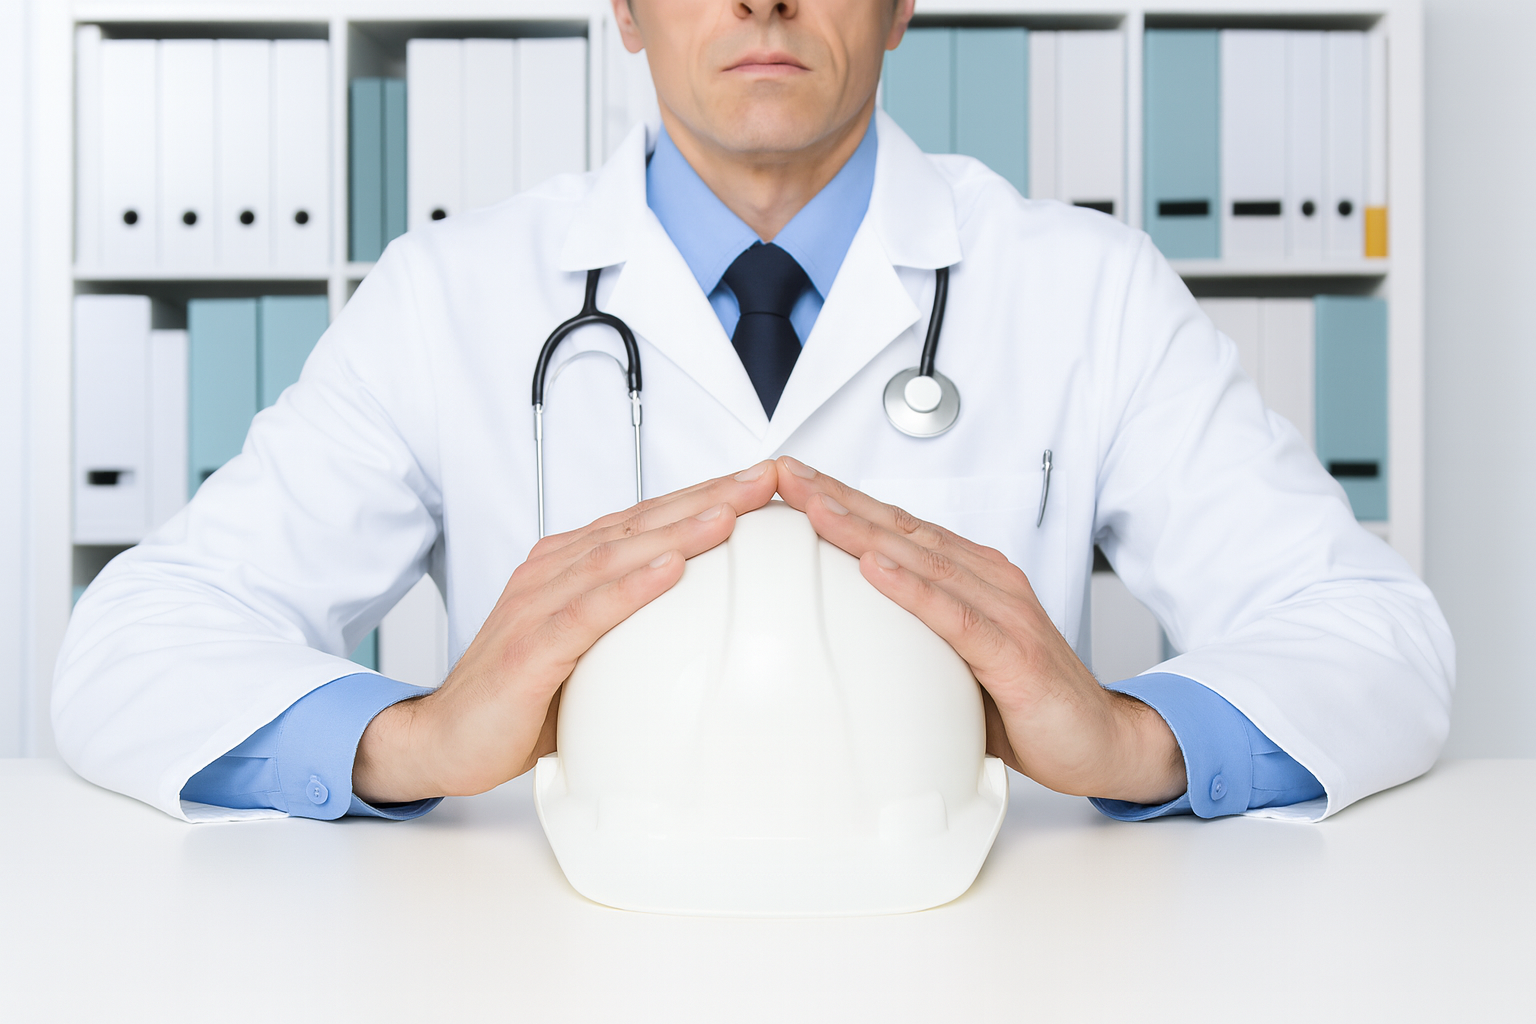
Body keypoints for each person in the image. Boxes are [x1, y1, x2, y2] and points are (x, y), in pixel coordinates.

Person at [55, 0, 1453, 826]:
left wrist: (1136, 741)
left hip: (981, 959)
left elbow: (1379, 639)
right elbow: (129, 648)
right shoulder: (449, 295)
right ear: (623, 4)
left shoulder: (1082, 287)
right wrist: (408, 739)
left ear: (906, 3)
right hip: (550, 963)